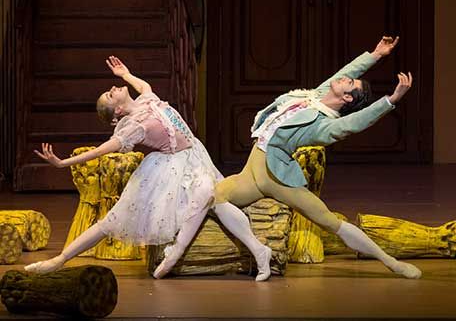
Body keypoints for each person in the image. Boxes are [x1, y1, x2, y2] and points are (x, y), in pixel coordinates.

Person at [25, 56, 272, 281]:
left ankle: (259, 252)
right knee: (115, 220)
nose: (113, 88)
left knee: (216, 198)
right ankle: (61, 259)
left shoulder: (146, 100)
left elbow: (143, 86)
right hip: (172, 167)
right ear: (117, 111)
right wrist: (62, 163)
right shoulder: (133, 126)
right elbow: (101, 150)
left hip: (195, 156)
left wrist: (125, 74)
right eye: (110, 95)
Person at [214, 36, 422, 279]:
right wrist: (376, 54)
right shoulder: (314, 96)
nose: (344, 78)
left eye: (349, 83)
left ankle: (391, 263)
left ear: (347, 98)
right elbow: (348, 70)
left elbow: (355, 122)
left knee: (329, 222)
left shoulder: (324, 124)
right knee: (215, 196)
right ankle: (259, 251)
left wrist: (391, 100)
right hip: (251, 170)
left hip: (274, 177)